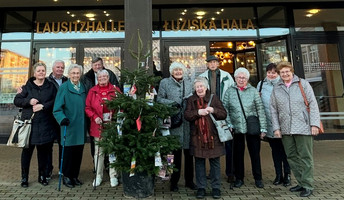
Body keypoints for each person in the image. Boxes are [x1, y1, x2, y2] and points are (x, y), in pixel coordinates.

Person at [270, 61, 321, 197]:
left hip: (303, 127)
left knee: (305, 157)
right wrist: (276, 128)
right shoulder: (277, 88)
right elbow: (273, 110)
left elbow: (313, 104)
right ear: (279, 74)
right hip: (286, 129)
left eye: (287, 71)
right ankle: (301, 182)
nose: (285, 74)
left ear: (291, 71)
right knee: (291, 157)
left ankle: (308, 185)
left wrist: (314, 124)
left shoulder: (303, 84)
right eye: (282, 72)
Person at [14, 62, 57, 187]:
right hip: (30, 125)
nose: (41, 73)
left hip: (45, 124)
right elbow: (17, 100)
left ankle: (42, 176)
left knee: (43, 154)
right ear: (34, 73)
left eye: (43, 70)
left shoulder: (50, 86)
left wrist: (43, 106)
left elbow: (55, 101)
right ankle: (24, 178)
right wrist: (29, 101)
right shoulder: (27, 87)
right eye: (39, 71)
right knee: (26, 154)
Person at [223, 67, 267, 189]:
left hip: (252, 127)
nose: (241, 80)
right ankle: (239, 178)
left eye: (244, 78)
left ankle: (258, 178)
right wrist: (229, 124)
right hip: (236, 128)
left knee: (255, 154)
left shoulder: (253, 91)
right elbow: (225, 109)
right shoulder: (229, 91)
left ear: (247, 79)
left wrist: (263, 128)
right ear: (235, 78)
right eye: (239, 77)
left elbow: (260, 109)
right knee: (237, 155)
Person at [184, 77, 227, 199]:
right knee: (199, 163)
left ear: (206, 87)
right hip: (197, 137)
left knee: (215, 163)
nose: (199, 89)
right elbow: (187, 115)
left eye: (201, 86)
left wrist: (213, 110)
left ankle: (216, 188)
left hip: (213, 136)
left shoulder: (214, 98)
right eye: (197, 87)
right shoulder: (191, 100)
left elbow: (223, 113)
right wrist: (198, 112)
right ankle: (201, 187)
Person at [157, 61, 196, 192]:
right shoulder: (164, 83)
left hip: (188, 123)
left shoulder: (189, 82)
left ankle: (189, 181)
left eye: (180, 70)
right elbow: (159, 99)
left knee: (189, 155)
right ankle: (174, 181)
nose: (178, 72)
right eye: (176, 70)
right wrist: (172, 103)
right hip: (174, 123)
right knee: (173, 155)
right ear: (171, 72)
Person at [199, 55, 235, 182]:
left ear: (218, 64)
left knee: (229, 142)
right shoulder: (202, 76)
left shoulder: (226, 76)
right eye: (210, 62)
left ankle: (231, 172)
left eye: (215, 62)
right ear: (207, 64)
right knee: (212, 142)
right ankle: (213, 172)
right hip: (208, 111)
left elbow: (232, 92)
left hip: (224, 111)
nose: (213, 64)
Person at [81, 57, 119, 171]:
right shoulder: (86, 78)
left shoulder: (111, 75)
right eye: (95, 65)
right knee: (96, 145)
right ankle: (97, 166)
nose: (97, 67)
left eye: (99, 64)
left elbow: (118, 95)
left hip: (110, 121)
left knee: (111, 146)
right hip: (94, 117)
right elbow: (86, 101)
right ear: (92, 66)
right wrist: (93, 115)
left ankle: (110, 167)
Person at [85, 70, 121, 187]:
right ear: (97, 78)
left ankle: (113, 175)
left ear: (108, 77)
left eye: (105, 76)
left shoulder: (115, 90)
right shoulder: (93, 91)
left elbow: (122, 106)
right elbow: (88, 107)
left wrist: (116, 116)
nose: (102, 78)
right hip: (98, 126)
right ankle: (98, 176)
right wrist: (94, 117)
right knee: (98, 153)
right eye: (100, 77)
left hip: (111, 125)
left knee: (112, 151)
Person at [257, 63, 291, 186]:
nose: (271, 75)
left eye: (274, 72)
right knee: (275, 151)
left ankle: (287, 174)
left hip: (283, 123)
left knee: (286, 150)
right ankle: (278, 175)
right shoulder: (261, 85)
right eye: (269, 72)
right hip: (269, 123)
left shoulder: (283, 84)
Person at [53, 64, 87, 188]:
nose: (75, 75)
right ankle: (66, 176)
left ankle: (74, 176)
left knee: (78, 153)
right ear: (69, 74)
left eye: (77, 73)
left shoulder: (82, 87)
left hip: (80, 126)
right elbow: (57, 109)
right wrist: (62, 119)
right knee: (68, 153)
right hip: (69, 125)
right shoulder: (64, 88)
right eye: (73, 73)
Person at [46, 60, 68, 179]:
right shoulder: (47, 81)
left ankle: (62, 169)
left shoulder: (66, 80)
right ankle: (48, 170)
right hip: (49, 117)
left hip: (62, 117)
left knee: (62, 143)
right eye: (58, 67)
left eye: (62, 67)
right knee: (49, 145)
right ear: (53, 68)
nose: (60, 69)